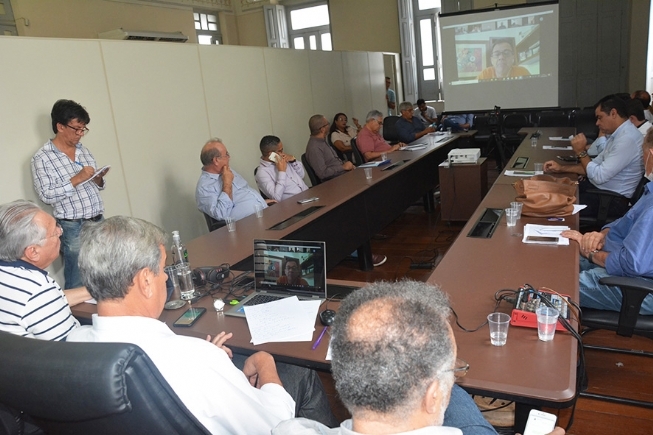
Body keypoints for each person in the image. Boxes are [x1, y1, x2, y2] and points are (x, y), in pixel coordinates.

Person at [67, 216, 337, 434]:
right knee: (299, 372)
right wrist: (264, 363)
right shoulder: (194, 359)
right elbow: (275, 423)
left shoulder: (72, 347)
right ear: (145, 282)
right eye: (163, 271)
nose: (166, 280)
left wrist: (216, 366)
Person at [274, 281, 567, 435]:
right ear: (433, 395)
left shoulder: (290, 430)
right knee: (462, 402)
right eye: (452, 371)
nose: (453, 379)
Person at [561, 128, 653, 315]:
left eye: (642, 154)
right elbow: (625, 221)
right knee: (558, 255)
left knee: (552, 284)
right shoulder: (650, 191)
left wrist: (591, 253)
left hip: (639, 287)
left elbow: (630, 264)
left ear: (651, 154)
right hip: (623, 262)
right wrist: (600, 235)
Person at [31, 99, 109, 289]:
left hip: (97, 219)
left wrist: (99, 179)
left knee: (107, 270)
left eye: (83, 129)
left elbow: (94, 185)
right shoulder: (42, 158)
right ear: (60, 126)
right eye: (76, 129)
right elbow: (46, 195)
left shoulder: (84, 151)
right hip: (72, 225)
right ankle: (78, 318)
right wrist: (77, 178)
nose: (80, 134)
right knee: (78, 277)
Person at [0, 200, 90, 340]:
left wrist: (95, 290)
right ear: (33, 252)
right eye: (55, 231)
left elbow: (51, 300)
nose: (61, 232)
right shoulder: (35, 287)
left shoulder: (10, 277)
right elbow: (72, 348)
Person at [544, 96, 643, 218]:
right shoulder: (618, 135)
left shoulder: (627, 139)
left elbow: (598, 176)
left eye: (600, 118)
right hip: (599, 191)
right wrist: (561, 168)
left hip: (609, 200)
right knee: (551, 189)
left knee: (550, 204)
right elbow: (592, 165)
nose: (597, 123)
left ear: (613, 113)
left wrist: (581, 152)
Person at [196, 138, 273, 222]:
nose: (229, 157)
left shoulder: (228, 170)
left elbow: (244, 193)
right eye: (226, 154)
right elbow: (221, 214)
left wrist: (260, 201)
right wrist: (227, 183)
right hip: (246, 226)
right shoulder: (204, 187)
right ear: (216, 160)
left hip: (263, 212)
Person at [255, 135, 308, 202]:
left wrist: (293, 161)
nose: (283, 153)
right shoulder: (262, 173)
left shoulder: (281, 159)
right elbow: (276, 198)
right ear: (271, 154)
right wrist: (281, 172)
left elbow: (301, 176)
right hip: (292, 204)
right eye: (280, 151)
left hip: (307, 195)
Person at [305, 114, 355, 182]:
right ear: (322, 129)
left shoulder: (322, 141)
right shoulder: (314, 148)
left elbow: (334, 161)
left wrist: (347, 166)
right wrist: (343, 167)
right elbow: (323, 173)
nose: (329, 125)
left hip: (343, 176)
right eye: (327, 124)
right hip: (335, 183)